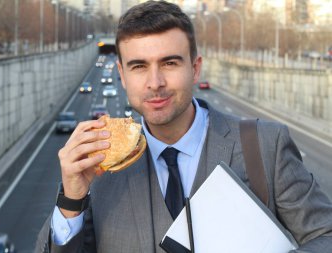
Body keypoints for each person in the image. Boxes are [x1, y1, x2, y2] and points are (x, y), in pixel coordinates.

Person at [36, 1, 332, 252]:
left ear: (195, 67)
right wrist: (71, 199)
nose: (155, 82)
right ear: (122, 75)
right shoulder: (98, 167)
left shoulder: (267, 144)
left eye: (169, 63)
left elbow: (325, 235)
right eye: (139, 66)